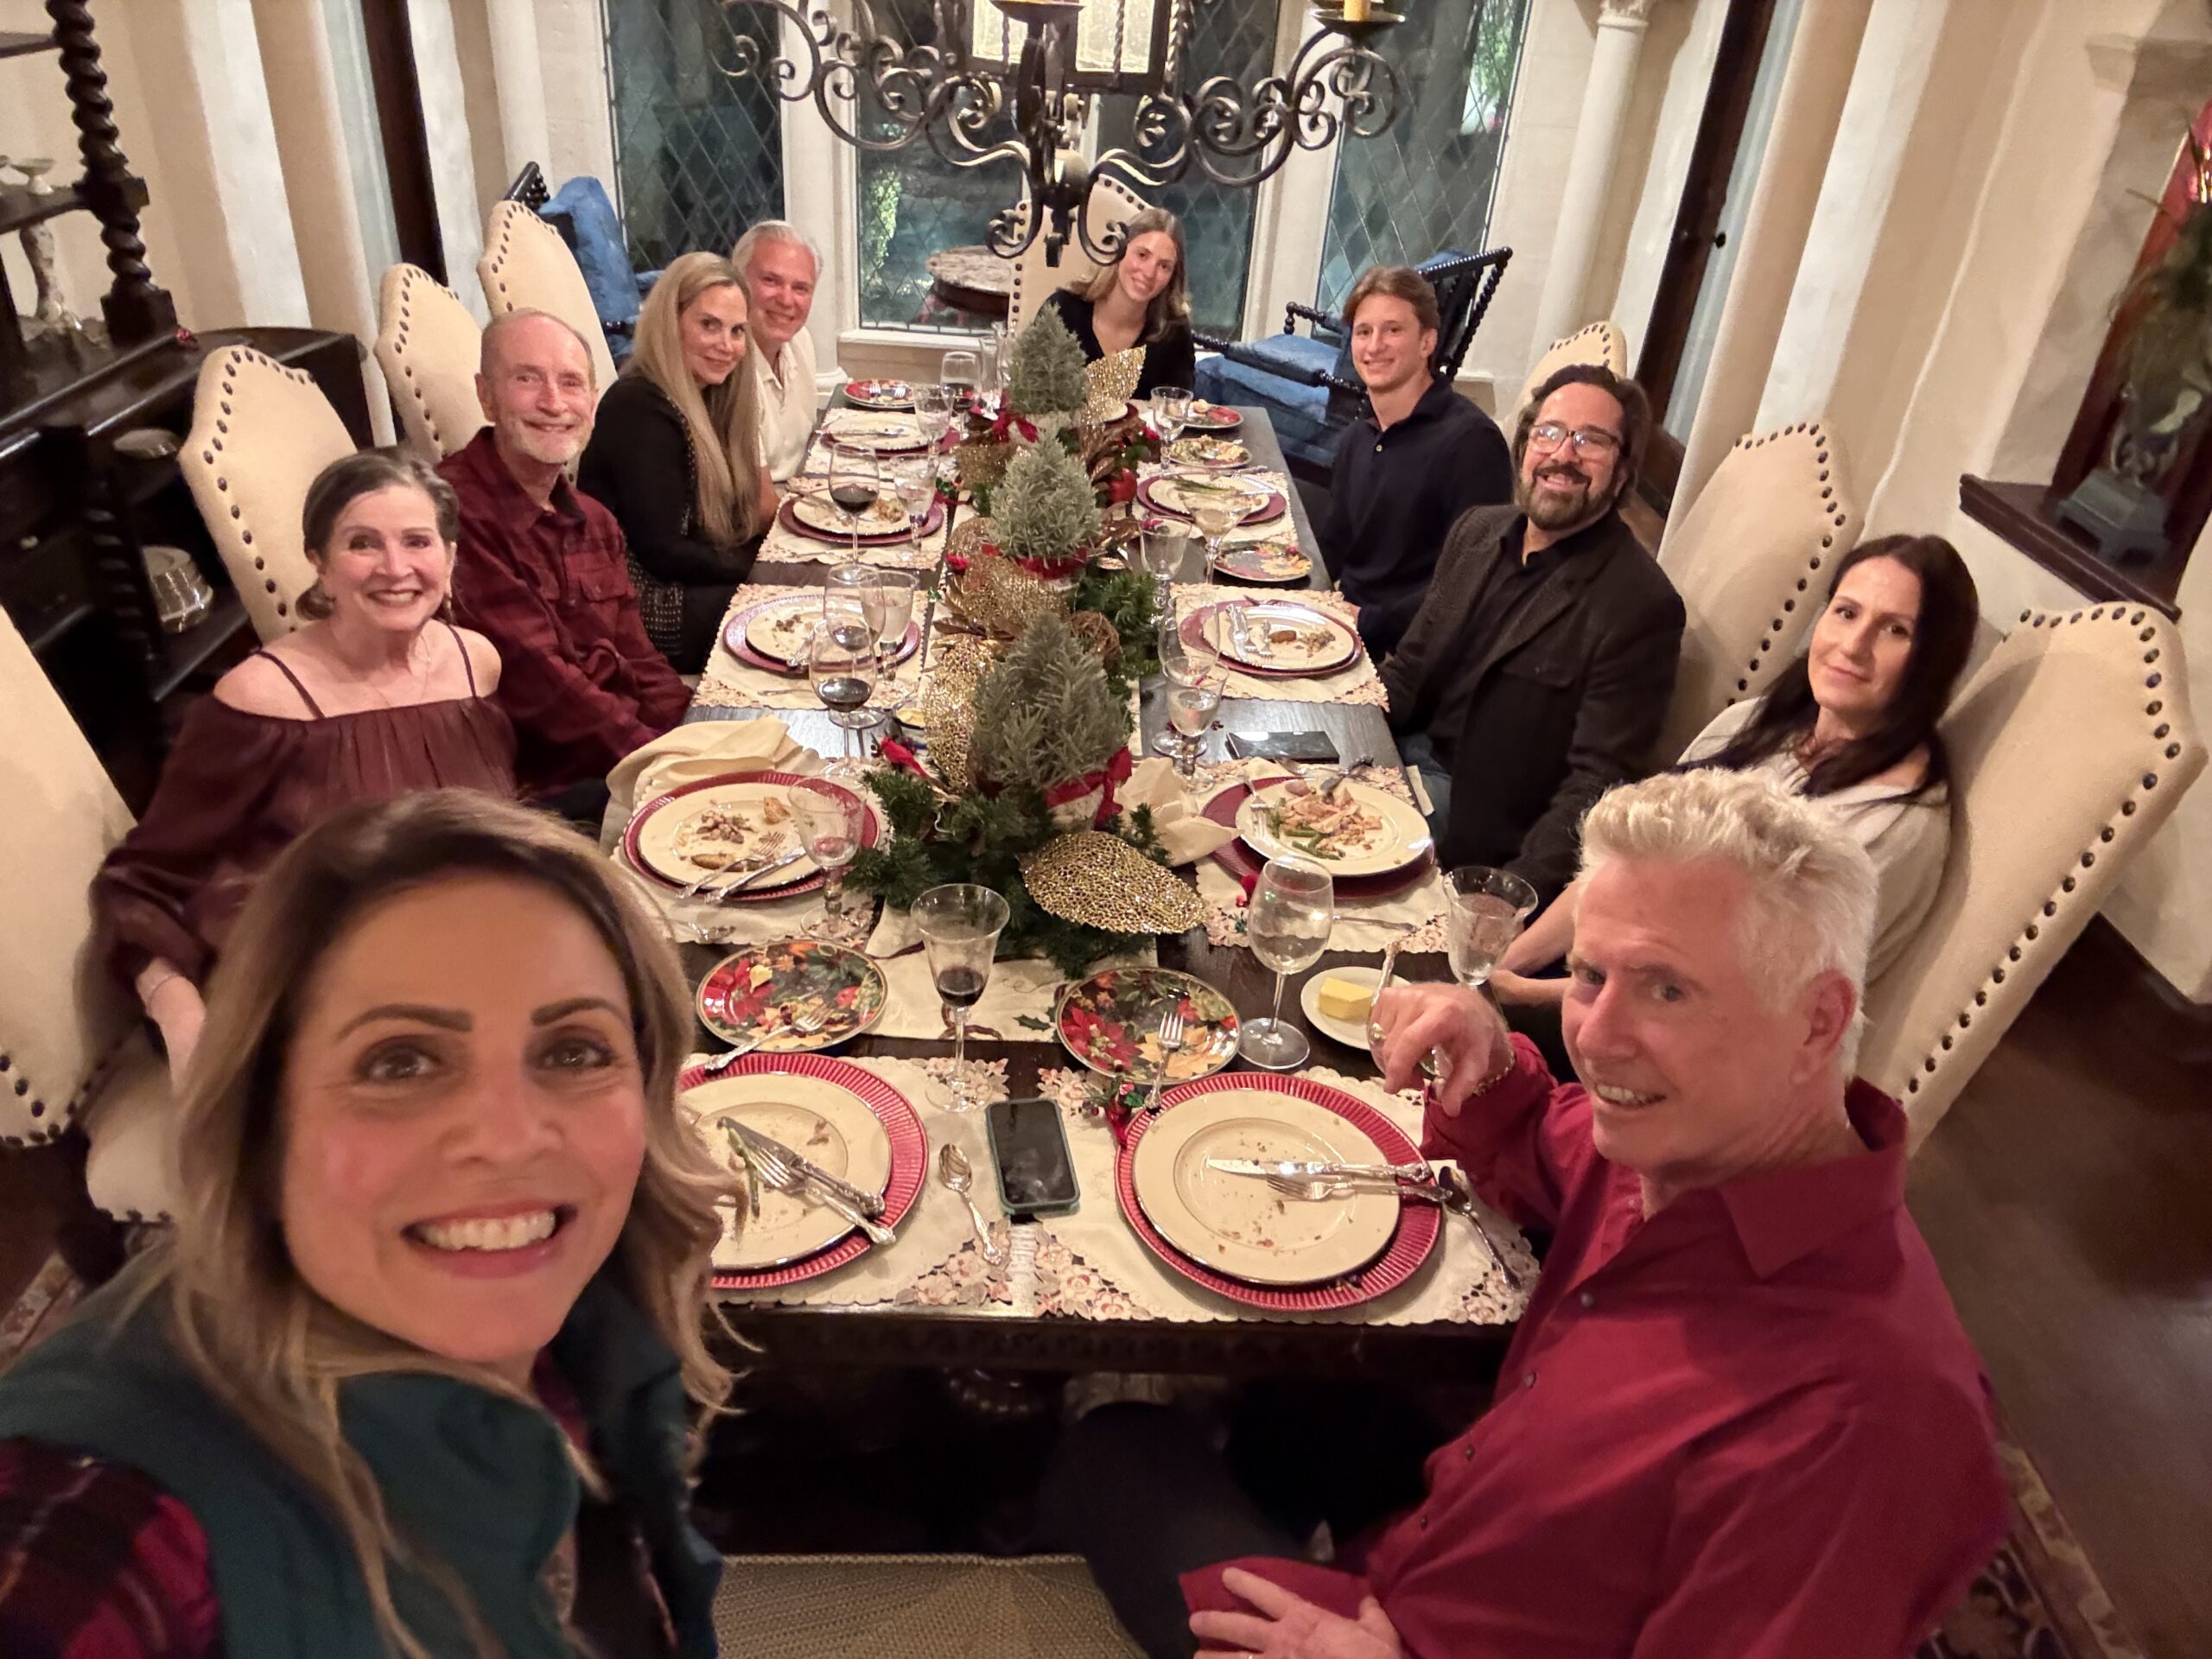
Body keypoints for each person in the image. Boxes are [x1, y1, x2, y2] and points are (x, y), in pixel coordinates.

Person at [1039, 768, 2010, 1659]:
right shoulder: (1687, 1144)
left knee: (1110, 1450)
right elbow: (1543, 1134)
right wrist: (1489, 1050)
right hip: (1448, 1547)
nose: (1599, 1037)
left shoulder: (1861, 1425)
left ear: (1818, 1021)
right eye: (1590, 976)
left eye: (1667, 989)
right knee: (1308, 1379)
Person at [1, 791, 734, 1656]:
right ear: (264, 1117)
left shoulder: (593, 1310)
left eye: (573, 1050)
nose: (508, 1140)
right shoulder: (125, 1502)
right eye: (400, 1062)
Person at [92, 450, 515, 1089]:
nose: (395, 567)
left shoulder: (475, 664)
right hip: (318, 990)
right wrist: (180, 1018)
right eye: (362, 543)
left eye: (417, 541)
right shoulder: (261, 701)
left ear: (450, 557)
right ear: (320, 562)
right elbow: (140, 882)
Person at [1494, 533, 1980, 1052]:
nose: (1854, 645)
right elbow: (1619, 867)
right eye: (1846, 612)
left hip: (1693, 1049)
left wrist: (1525, 996)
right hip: (1602, 979)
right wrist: (1506, 963)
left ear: (1933, 662)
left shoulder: (1893, 826)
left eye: (1895, 630)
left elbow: (1729, 994)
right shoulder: (1752, 724)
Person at [1380, 363, 1684, 906]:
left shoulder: (1639, 605)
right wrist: (1327, 728)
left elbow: (1595, 788)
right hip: (1393, 757)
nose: (1563, 455)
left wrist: (1508, 896)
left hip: (1467, 819)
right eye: (1549, 432)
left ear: (1622, 471)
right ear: (1524, 447)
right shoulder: (1479, 530)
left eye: (1591, 440)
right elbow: (1409, 669)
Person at [442, 309, 690, 823]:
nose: (554, 403)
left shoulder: (593, 520)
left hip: (622, 755)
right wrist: (663, 764)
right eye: (527, 379)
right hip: (545, 798)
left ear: (592, 401)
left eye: (571, 383)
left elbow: (639, 656)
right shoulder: (456, 516)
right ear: (486, 396)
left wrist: (693, 731)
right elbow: (544, 690)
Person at [581, 251, 773, 672]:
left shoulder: (708, 394)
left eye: (737, 331)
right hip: (647, 607)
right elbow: (663, 553)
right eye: (709, 325)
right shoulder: (640, 407)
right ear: (671, 322)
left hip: (684, 582)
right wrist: (758, 571)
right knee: (792, 614)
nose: (727, 345)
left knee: (814, 588)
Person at [1318, 266, 1512, 660]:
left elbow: (1473, 582)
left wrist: (1367, 621)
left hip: (1412, 654)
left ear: (1427, 342)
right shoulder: (1357, 438)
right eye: (1363, 332)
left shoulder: (1472, 444)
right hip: (1344, 630)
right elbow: (1334, 546)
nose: (1374, 346)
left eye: (1393, 330)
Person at [1039, 207, 1198, 400]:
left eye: (1164, 266)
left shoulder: (1174, 332)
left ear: (1172, 277)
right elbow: (1027, 395)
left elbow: (1176, 410)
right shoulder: (1061, 311)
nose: (1149, 273)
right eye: (1142, 255)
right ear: (1118, 250)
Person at [732, 219, 823, 486]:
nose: (786, 300)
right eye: (771, 281)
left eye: (800, 288)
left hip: (803, 488)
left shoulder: (801, 340)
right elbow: (756, 500)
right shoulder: (729, 366)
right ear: (738, 281)